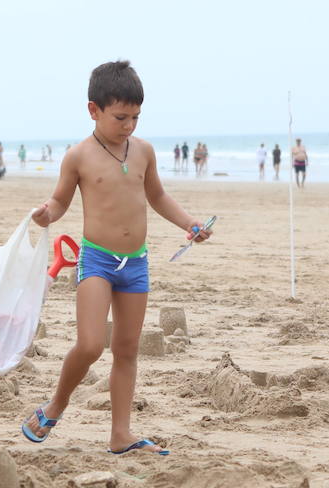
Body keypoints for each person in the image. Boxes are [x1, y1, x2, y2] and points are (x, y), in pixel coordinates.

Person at [21, 60, 211, 456]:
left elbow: (157, 196)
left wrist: (188, 223)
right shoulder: (79, 156)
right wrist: (46, 214)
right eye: (121, 117)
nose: (129, 126)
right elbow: (59, 201)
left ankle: (120, 434)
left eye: (136, 118)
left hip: (136, 264)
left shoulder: (143, 151)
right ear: (94, 110)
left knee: (127, 350)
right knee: (90, 345)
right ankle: (56, 405)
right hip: (97, 261)